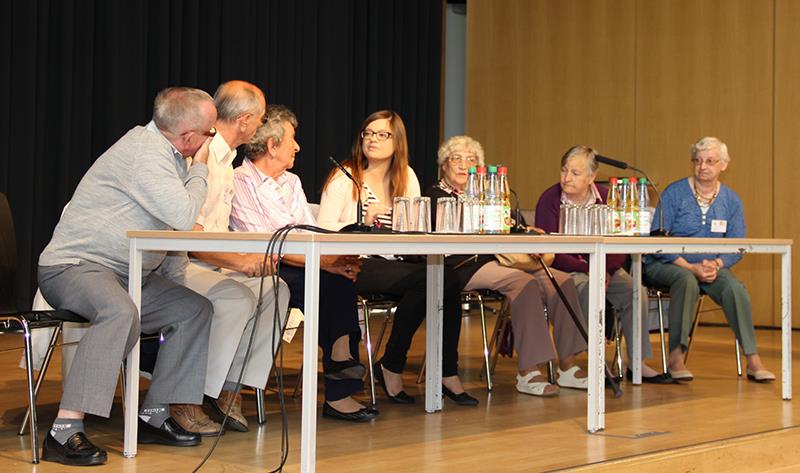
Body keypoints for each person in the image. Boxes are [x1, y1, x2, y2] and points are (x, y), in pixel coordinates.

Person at [36, 87, 216, 466]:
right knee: (119, 311)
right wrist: (202, 168)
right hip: (75, 266)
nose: (209, 142)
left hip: (129, 273)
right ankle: (63, 431)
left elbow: (165, 235)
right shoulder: (144, 153)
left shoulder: (168, 154)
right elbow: (183, 219)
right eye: (209, 134)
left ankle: (153, 413)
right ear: (188, 137)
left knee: (192, 309)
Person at [318, 110, 478, 406]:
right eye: (368, 133)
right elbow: (323, 231)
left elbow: (416, 230)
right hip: (354, 261)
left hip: (397, 259)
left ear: (398, 142)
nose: (372, 139)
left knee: (448, 277)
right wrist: (361, 222)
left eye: (382, 134)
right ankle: (393, 363)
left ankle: (444, 370)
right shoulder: (345, 177)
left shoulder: (408, 177)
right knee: (430, 279)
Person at [229, 105, 377, 422]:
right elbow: (268, 243)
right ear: (272, 145)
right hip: (266, 268)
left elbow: (308, 232)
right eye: (292, 139)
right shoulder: (240, 181)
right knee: (331, 281)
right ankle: (341, 381)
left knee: (340, 279)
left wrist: (334, 260)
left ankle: (341, 372)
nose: (297, 146)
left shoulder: (292, 182)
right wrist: (326, 264)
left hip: (303, 261)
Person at [166, 80, 290, 435]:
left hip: (211, 264)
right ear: (245, 120)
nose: (262, 127)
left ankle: (230, 389)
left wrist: (243, 258)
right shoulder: (200, 156)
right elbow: (187, 237)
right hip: (179, 264)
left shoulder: (229, 160)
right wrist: (240, 261)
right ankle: (187, 398)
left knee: (275, 289)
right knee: (237, 296)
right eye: (262, 119)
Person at [425, 136, 589, 396]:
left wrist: (527, 234)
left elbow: (509, 225)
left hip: (499, 259)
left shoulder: (487, 194)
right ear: (443, 164)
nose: (463, 165)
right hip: (463, 265)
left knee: (562, 280)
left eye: (471, 160)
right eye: (456, 159)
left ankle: (567, 367)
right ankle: (528, 372)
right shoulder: (436, 197)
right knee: (524, 283)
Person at [535, 145, 671, 383]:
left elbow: (619, 244)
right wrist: (591, 269)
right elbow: (550, 250)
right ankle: (592, 363)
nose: (567, 178)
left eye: (575, 173)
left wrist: (605, 269)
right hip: (567, 270)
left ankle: (637, 364)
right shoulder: (550, 199)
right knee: (589, 287)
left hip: (606, 268)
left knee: (635, 292)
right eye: (564, 170)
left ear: (591, 177)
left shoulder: (608, 198)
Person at [643, 136, 774, 382]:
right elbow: (658, 239)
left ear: (723, 165)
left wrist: (717, 264)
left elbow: (737, 245)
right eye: (698, 161)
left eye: (710, 161)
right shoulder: (675, 192)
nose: (703, 166)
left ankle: (753, 359)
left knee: (735, 288)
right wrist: (690, 266)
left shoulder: (732, 200)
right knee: (686, 281)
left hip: (710, 266)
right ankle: (676, 356)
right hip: (669, 264)